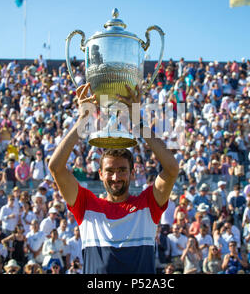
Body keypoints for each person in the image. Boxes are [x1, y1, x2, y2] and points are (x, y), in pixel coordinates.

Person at [48, 83, 179, 274]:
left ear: (133, 173)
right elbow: (55, 167)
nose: (116, 177)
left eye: (122, 170)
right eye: (109, 171)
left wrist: (138, 124)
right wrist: (83, 120)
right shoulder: (85, 204)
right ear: (100, 174)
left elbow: (172, 168)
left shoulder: (148, 203)